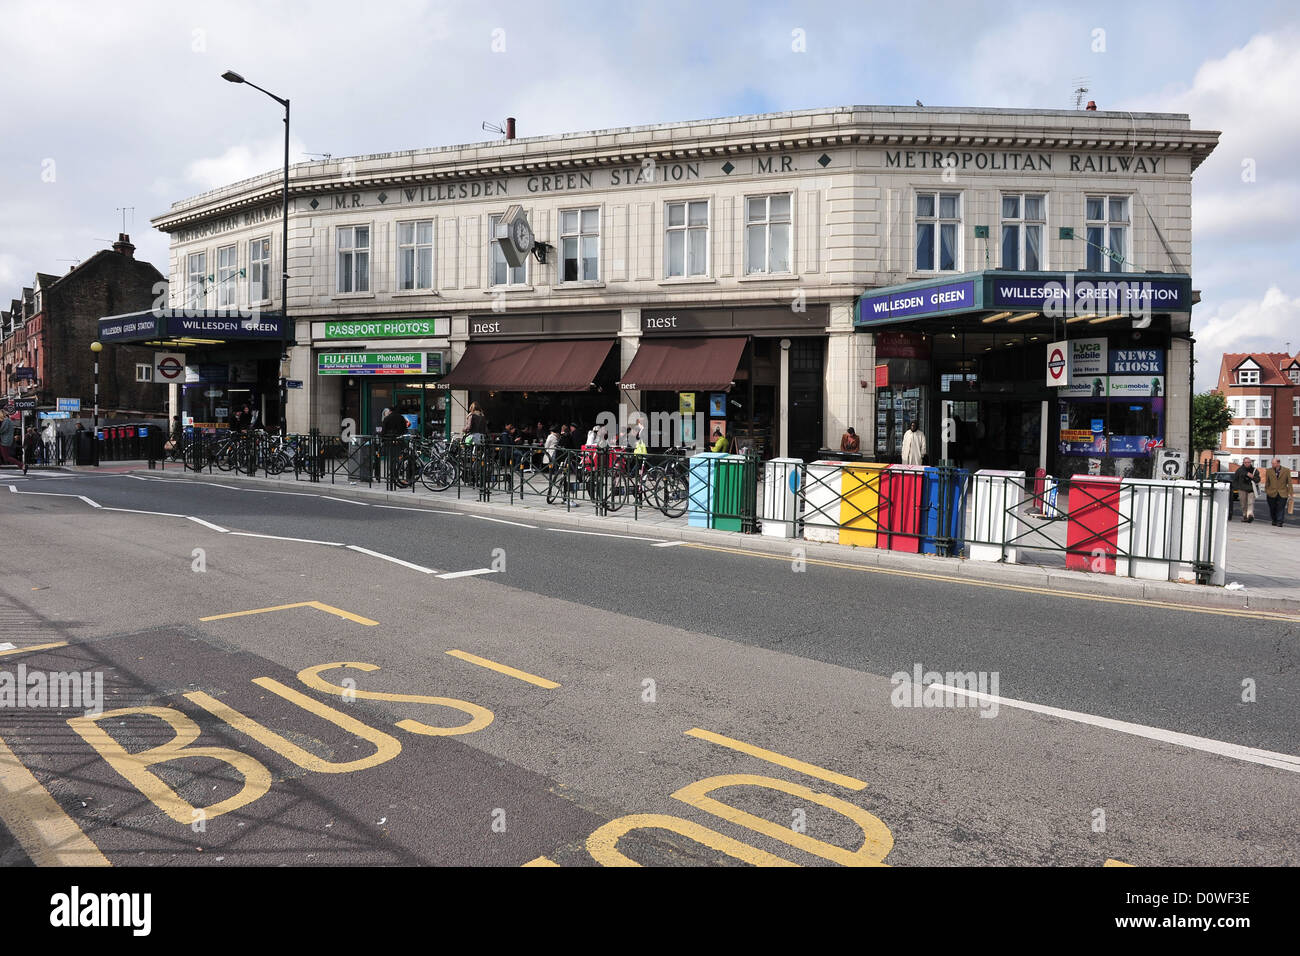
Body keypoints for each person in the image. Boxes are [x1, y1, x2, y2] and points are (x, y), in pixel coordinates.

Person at [1264, 458, 1293, 527]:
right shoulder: (1269, 470)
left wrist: (1290, 493)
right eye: (1272, 463)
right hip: (1271, 492)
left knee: (1281, 508)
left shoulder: (1286, 470)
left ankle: (1280, 521)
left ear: (1278, 463)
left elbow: (1289, 482)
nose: (1272, 464)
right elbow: (1267, 482)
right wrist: (1267, 490)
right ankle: (1274, 520)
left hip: (1282, 492)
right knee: (1272, 508)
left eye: (1273, 463)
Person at [1233, 457, 1260, 523]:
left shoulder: (1254, 470)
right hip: (1242, 489)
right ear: (1243, 463)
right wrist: (1236, 488)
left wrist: (1252, 477)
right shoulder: (1239, 470)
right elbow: (1235, 480)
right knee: (1243, 504)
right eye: (1246, 462)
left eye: (1249, 462)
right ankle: (1245, 515)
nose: (1247, 464)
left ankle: (1250, 515)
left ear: (1251, 463)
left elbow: (1258, 480)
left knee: (1250, 503)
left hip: (1251, 490)